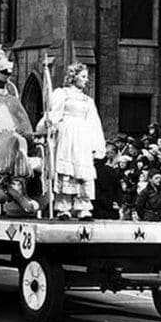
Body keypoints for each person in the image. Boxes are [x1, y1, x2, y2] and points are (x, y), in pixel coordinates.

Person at [48, 63, 105, 220]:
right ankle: (64, 207)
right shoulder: (62, 93)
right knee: (67, 170)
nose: (86, 80)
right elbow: (55, 114)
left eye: (87, 77)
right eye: (83, 76)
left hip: (83, 136)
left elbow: (94, 122)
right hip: (67, 134)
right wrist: (52, 126)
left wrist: (96, 144)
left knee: (82, 171)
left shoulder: (87, 100)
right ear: (74, 77)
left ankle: (83, 207)